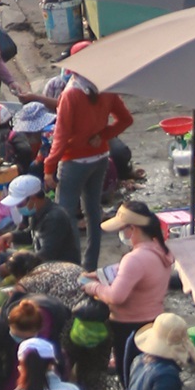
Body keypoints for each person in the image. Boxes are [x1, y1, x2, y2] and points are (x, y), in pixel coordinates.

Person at [44, 62, 132, 273]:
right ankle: (90, 265)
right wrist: (103, 135)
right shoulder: (106, 88)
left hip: (74, 162)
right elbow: (125, 120)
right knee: (93, 212)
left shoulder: (71, 94)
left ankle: (72, 267)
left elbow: (61, 136)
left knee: (66, 216)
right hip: (100, 158)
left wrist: (49, 165)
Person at [84, 202, 174, 384]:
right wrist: (101, 274)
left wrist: (91, 287)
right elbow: (134, 272)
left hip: (129, 328)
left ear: (132, 229)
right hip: (154, 321)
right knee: (150, 376)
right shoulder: (159, 248)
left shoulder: (134, 258)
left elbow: (116, 296)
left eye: (122, 229)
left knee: (131, 380)